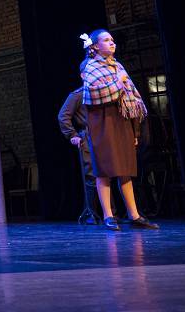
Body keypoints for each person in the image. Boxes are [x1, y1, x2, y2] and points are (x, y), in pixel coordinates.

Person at [79, 30, 158, 231]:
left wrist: (135, 130)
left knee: (125, 170)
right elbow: (93, 94)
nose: (112, 42)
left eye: (112, 39)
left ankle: (134, 215)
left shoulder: (118, 66)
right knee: (104, 170)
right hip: (103, 121)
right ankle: (108, 215)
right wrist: (118, 81)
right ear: (95, 46)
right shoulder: (91, 67)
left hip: (121, 120)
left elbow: (131, 95)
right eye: (106, 40)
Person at [58, 85, 101, 224]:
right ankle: (90, 213)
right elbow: (63, 116)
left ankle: (111, 214)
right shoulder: (78, 95)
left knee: (106, 175)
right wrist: (72, 135)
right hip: (88, 137)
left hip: (103, 135)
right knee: (91, 176)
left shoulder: (101, 91)